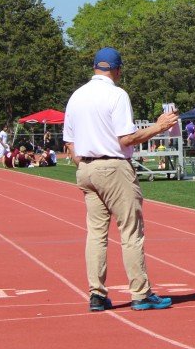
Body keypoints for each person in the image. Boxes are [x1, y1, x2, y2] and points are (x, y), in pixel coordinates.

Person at [63, 47, 178, 312]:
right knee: (130, 231)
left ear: (95, 67)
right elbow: (126, 138)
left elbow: (69, 140)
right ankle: (140, 293)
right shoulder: (116, 94)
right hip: (113, 166)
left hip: (87, 167)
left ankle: (97, 294)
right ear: (117, 70)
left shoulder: (77, 96)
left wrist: (84, 163)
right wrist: (159, 127)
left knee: (96, 234)